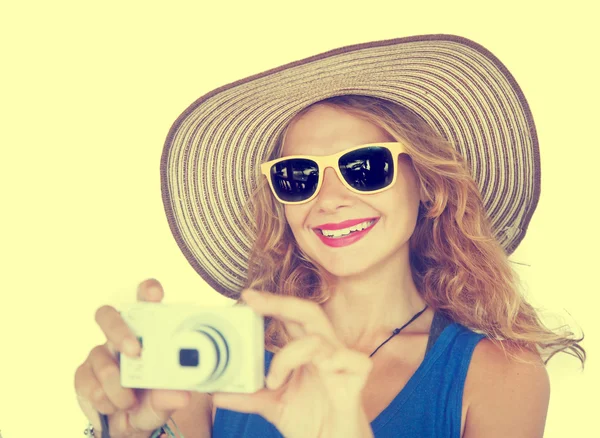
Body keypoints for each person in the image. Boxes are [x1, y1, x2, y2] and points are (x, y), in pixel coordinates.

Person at [74, 35, 586, 437]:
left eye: (364, 166)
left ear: (427, 185)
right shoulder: (219, 357)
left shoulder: (500, 376)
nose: (329, 198)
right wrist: (124, 432)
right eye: (299, 175)